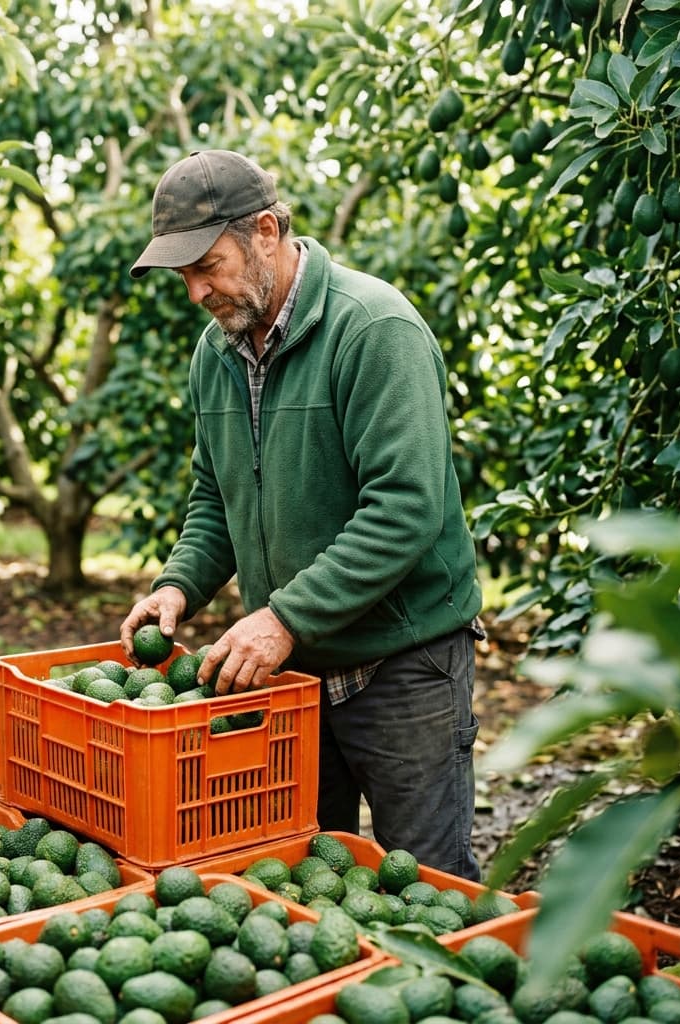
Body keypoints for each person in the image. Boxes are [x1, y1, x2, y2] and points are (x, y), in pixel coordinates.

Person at [120, 149, 485, 881]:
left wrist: (283, 618)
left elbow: (405, 509)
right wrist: (180, 586)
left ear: (264, 230)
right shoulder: (216, 352)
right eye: (183, 275)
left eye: (208, 265)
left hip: (402, 664)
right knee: (308, 878)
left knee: (429, 880)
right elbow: (214, 497)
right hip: (293, 677)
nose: (196, 291)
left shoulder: (374, 328)